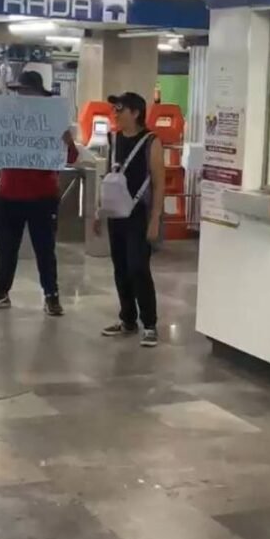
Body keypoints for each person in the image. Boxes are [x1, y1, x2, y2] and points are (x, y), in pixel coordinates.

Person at [0, 70, 78, 316]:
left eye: (26, 92)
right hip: (9, 194)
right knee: (7, 249)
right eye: (19, 93)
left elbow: (70, 158)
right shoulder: (6, 118)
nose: (22, 97)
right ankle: (1, 291)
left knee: (45, 249)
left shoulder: (53, 122)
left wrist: (66, 142)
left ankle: (51, 294)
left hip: (42, 197)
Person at [97, 92, 166, 348]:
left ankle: (149, 324)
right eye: (114, 109)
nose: (115, 113)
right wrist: (99, 210)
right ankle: (127, 319)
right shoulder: (113, 139)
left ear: (135, 113)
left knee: (138, 267)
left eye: (120, 109)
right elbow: (108, 177)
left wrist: (155, 218)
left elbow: (159, 183)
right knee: (121, 268)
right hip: (116, 213)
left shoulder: (151, 142)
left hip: (140, 214)